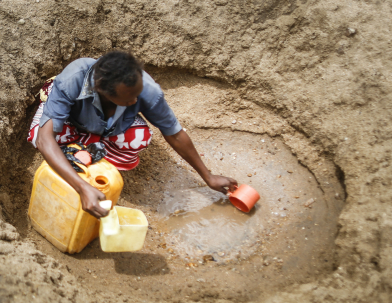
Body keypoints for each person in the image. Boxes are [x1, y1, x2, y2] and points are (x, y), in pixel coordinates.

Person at [28, 51, 237, 219]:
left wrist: (208, 177)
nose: (134, 101)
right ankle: (81, 153)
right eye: (128, 98)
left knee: (140, 138)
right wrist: (82, 187)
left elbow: (174, 133)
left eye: (137, 95)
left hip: (109, 129)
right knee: (40, 135)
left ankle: (86, 150)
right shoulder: (73, 78)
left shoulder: (146, 89)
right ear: (101, 89)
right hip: (72, 121)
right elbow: (45, 139)